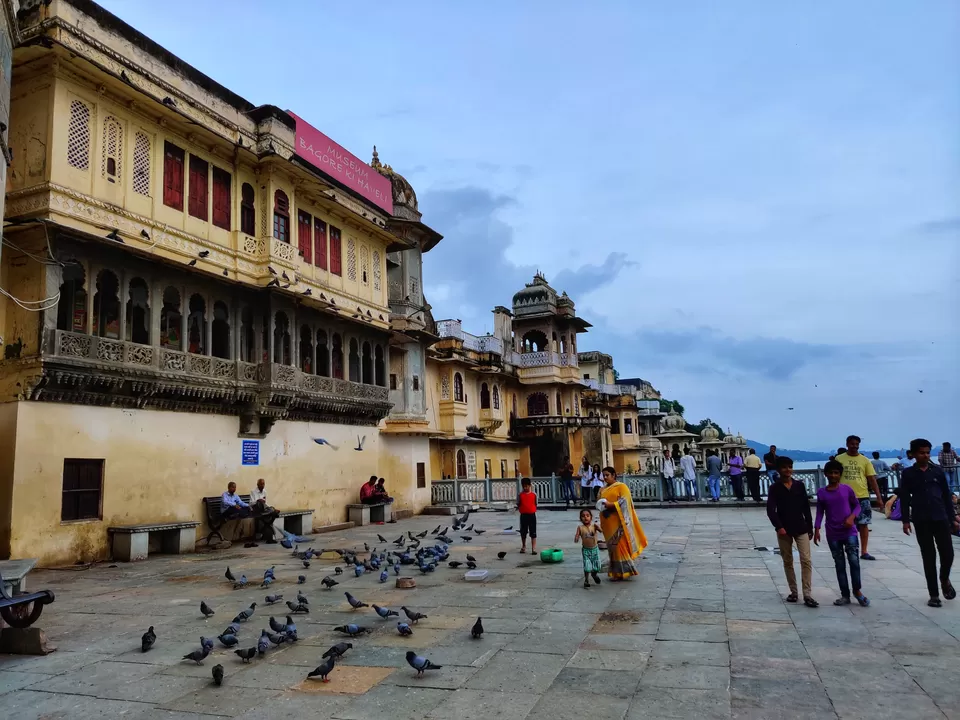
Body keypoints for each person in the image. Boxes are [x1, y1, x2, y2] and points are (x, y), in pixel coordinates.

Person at [900, 438, 958, 608]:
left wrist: (953, 517)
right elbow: (904, 498)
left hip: (941, 517)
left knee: (948, 554)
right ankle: (933, 594)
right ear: (913, 454)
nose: (925, 456)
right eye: (921, 453)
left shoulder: (938, 472)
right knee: (929, 556)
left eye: (927, 452)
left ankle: (944, 578)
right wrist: (905, 521)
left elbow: (947, 496)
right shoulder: (908, 474)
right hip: (921, 519)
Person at [815, 460, 870, 607]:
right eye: (831, 473)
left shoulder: (847, 489)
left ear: (840, 474)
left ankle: (857, 591)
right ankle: (845, 595)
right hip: (833, 533)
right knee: (839, 564)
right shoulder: (822, 493)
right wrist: (816, 529)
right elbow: (820, 512)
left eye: (836, 473)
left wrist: (852, 518)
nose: (833, 475)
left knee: (854, 561)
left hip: (849, 531)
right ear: (825, 474)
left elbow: (857, 506)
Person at [766, 456, 817, 607]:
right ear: (778, 470)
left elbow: (805, 507)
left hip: (800, 527)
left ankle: (807, 594)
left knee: (806, 560)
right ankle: (794, 592)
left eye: (790, 467)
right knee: (788, 561)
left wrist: (810, 526)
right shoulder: (774, 488)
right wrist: (779, 527)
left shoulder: (799, 485)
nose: (788, 470)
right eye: (784, 467)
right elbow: (771, 510)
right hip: (784, 529)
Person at [836, 435, 883, 561]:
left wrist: (879, 497)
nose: (854, 446)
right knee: (844, 523)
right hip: (844, 497)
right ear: (847, 444)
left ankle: (864, 551)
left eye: (857, 444)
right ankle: (845, 548)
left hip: (862, 495)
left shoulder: (865, 460)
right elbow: (834, 477)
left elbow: (871, 479)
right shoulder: (839, 459)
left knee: (864, 524)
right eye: (852, 444)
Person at [598, 467, 648, 580]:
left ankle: (626, 571)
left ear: (614, 475)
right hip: (607, 522)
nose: (605, 478)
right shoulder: (603, 489)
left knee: (619, 547)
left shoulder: (621, 487)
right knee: (612, 549)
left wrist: (613, 505)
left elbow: (625, 501)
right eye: (604, 475)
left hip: (619, 522)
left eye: (607, 475)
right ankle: (615, 572)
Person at [574, 508, 604, 588]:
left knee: (597, 566)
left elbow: (601, 531)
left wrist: (598, 528)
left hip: (595, 549)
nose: (585, 517)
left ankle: (594, 575)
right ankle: (586, 580)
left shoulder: (594, 526)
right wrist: (576, 538)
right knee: (587, 566)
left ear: (591, 517)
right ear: (581, 518)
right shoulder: (580, 527)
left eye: (587, 516)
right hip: (586, 550)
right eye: (583, 516)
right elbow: (577, 535)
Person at [249, 478, 280, 543]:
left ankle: (270, 538)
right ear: (257, 484)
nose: (262, 485)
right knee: (260, 503)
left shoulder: (264, 491)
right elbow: (251, 503)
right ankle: (272, 510)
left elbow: (265, 503)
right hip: (256, 509)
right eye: (261, 484)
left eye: (263, 484)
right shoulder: (253, 491)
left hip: (263, 510)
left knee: (272, 514)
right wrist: (258, 500)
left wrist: (268, 506)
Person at [518, 477, 538, 554]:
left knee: (533, 532)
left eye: (526, 486)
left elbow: (536, 504)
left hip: (532, 515)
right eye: (524, 486)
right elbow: (518, 503)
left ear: (530, 486)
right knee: (523, 532)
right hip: (523, 515)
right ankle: (523, 546)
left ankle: (533, 548)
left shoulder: (534, 495)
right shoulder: (520, 495)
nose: (525, 488)